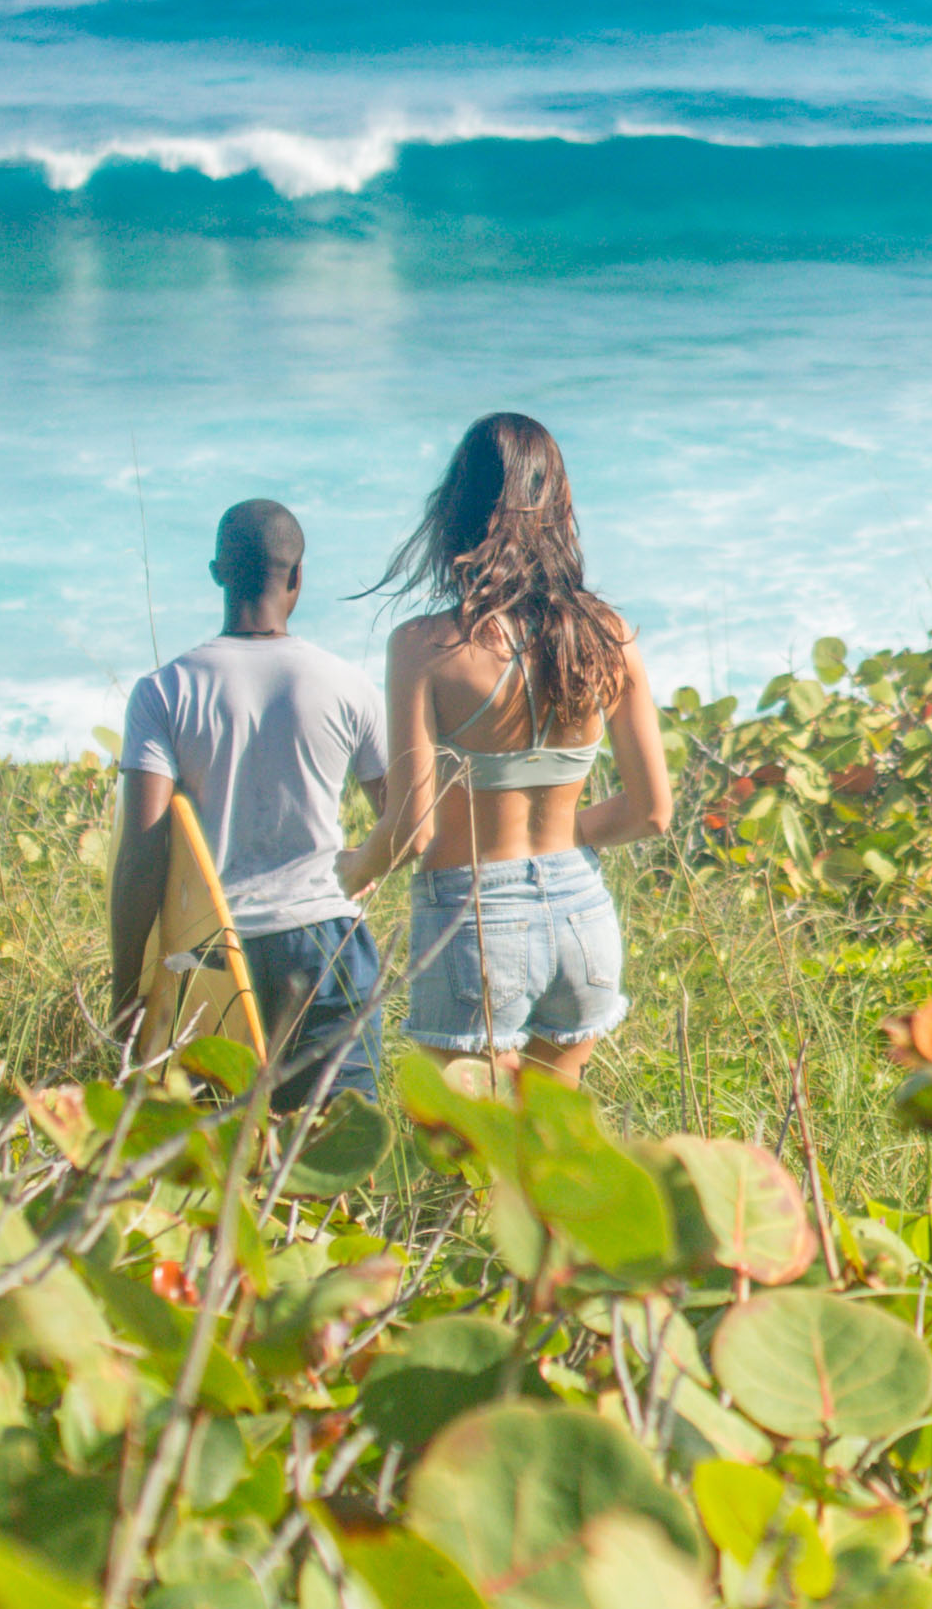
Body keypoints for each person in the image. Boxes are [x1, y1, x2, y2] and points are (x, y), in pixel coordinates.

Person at [337, 412, 671, 1079]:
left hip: (473, 920)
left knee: (465, 1141)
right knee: (549, 1136)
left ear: (455, 511)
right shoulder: (610, 638)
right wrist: (564, 837)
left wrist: (354, 871)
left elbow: (411, 829)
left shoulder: (425, 647)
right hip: (582, 911)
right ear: (560, 510)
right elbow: (652, 813)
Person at [111, 497, 389, 1110]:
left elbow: (142, 855)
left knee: (217, 1152)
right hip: (326, 942)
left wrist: (126, 988)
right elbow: (407, 820)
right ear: (298, 577)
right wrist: (363, 862)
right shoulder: (348, 684)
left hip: (211, 955)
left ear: (218, 573)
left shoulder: (164, 690)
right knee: (331, 1146)